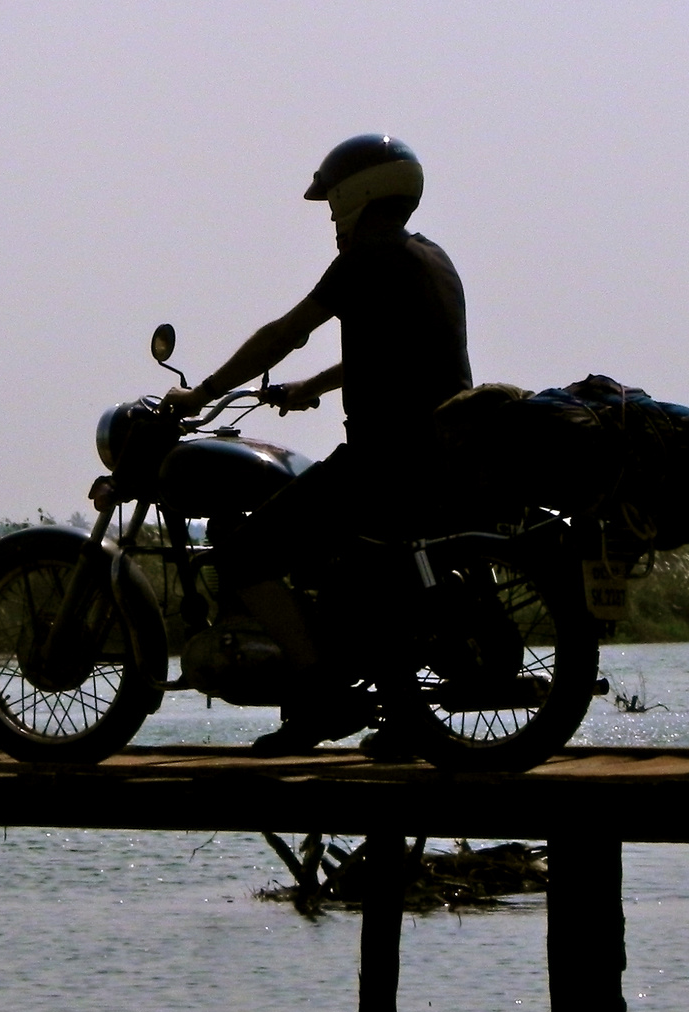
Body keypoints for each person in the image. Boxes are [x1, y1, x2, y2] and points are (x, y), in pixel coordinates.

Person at [159, 134, 472, 755]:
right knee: (355, 575)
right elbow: (402, 354)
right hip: (440, 452)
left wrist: (205, 392)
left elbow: (286, 332)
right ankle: (403, 716)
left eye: (332, 199)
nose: (330, 214)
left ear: (358, 193)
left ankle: (320, 694)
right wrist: (318, 386)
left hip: (386, 456)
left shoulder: (366, 256)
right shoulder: (428, 257)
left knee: (245, 554)